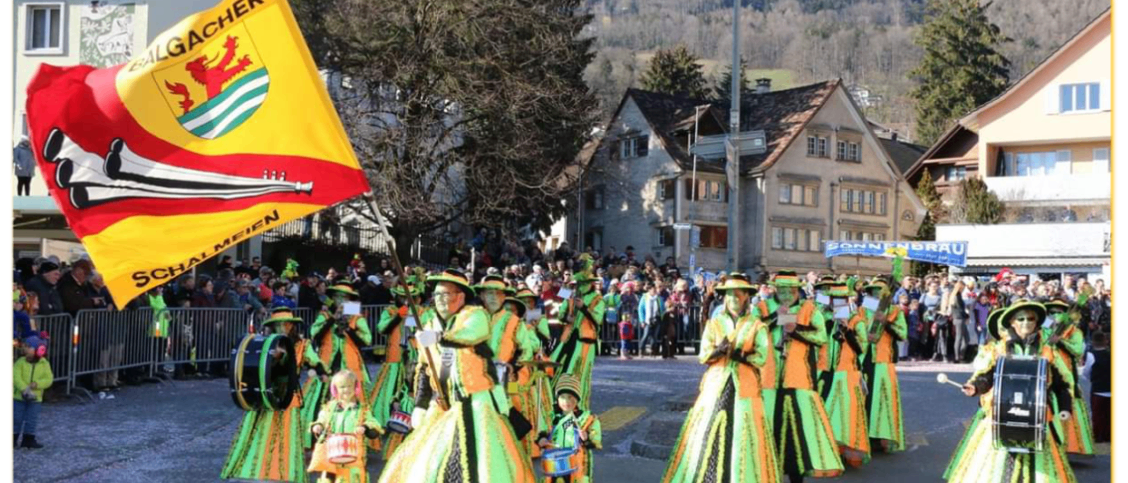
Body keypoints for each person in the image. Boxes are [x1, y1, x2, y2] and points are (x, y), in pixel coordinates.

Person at [378, 269, 536, 483]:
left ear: (460, 296)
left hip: (475, 401)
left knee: (479, 458)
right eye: (437, 295)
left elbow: (469, 336)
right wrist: (420, 404)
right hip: (443, 403)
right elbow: (426, 367)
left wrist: (436, 337)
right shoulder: (430, 322)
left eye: (446, 294)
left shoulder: (474, 315)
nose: (440, 300)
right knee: (428, 460)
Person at [661, 274, 780, 483]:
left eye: (737, 294)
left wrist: (739, 355)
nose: (733, 298)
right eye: (728, 294)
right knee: (709, 433)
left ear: (746, 297)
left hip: (745, 388)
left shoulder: (757, 326)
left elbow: (762, 356)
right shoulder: (714, 324)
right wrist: (718, 351)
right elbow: (703, 355)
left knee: (743, 434)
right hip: (716, 386)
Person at [945, 302, 1077, 483]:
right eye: (1020, 319)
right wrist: (975, 387)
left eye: (1030, 318)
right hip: (1002, 412)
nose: (1026, 323)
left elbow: (1063, 383)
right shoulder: (997, 349)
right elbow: (987, 375)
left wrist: (1065, 406)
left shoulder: (1047, 351)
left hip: (1037, 416)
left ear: (1037, 322)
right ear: (1012, 322)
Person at [222, 309, 328, 482]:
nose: (282, 327)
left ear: (292, 325)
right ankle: (256, 466)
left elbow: (314, 362)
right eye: (277, 325)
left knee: (287, 432)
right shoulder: (266, 345)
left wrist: (320, 371)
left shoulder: (303, 345)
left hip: (289, 397)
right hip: (266, 395)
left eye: (286, 324)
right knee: (261, 429)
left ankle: (285, 470)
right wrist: (275, 356)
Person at [763, 271, 844, 482]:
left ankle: (796, 474)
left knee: (796, 433)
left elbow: (821, 336)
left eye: (789, 289)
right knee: (767, 431)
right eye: (781, 289)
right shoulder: (762, 307)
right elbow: (754, 331)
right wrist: (775, 317)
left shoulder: (810, 309)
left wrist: (795, 329)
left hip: (799, 379)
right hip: (768, 381)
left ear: (796, 289)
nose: (786, 293)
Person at [366, 272, 424, 460]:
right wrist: (399, 316)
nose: (406, 300)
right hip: (394, 359)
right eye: (402, 297)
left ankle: (414, 426)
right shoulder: (390, 311)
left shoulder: (424, 312)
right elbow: (382, 329)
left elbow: (433, 333)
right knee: (386, 394)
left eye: (410, 297)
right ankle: (382, 425)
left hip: (416, 359)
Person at [822, 283, 871, 468]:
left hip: (849, 373)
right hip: (828, 374)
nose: (838, 304)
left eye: (842, 300)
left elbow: (862, 348)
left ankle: (849, 450)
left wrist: (847, 330)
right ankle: (831, 450)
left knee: (848, 415)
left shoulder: (856, 320)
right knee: (828, 412)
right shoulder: (824, 318)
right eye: (835, 300)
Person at [308, 370, 384, 483]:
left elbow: (374, 424)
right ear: (335, 389)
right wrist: (318, 425)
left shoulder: (362, 409)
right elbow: (322, 418)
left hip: (354, 459)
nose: (347, 390)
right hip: (332, 456)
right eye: (342, 387)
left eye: (350, 386)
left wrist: (365, 428)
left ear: (356, 387)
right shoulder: (330, 408)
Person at [859, 278, 908, 455]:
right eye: (873, 291)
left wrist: (886, 322)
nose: (876, 294)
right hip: (862, 359)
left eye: (880, 292)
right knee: (863, 398)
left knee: (881, 401)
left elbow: (903, 334)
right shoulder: (861, 310)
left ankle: (879, 437)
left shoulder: (894, 311)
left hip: (882, 361)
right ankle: (862, 436)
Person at [550, 256, 606, 410]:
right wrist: (565, 316)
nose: (580, 287)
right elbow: (560, 313)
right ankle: (557, 402)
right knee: (557, 369)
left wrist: (584, 308)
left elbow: (598, 320)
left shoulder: (598, 299)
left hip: (584, 342)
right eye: (578, 284)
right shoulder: (569, 294)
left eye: (583, 284)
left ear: (590, 284)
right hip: (567, 339)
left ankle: (578, 407)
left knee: (578, 374)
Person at [537, 374, 603, 483]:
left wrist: (587, 438)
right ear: (557, 399)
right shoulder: (551, 417)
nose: (566, 401)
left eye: (570, 397)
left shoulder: (586, 419)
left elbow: (595, 438)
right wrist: (541, 439)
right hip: (554, 461)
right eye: (562, 397)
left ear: (577, 399)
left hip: (575, 463)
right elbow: (541, 432)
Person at [12, 335, 53, 449]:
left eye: (28, 347)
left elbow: (48, 379)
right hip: (19, 397)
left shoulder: (44, 364)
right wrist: (24, 388)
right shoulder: (20, 362)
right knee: (16, 418)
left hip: (36, 398)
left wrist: (37, 384)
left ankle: (28, 439)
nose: (25, 348)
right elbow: (15, 377)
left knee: (32, 419)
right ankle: (13, 438)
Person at [1082, 332, 1110, 444]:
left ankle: (1098, 436)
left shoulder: (1091, 355)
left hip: (1098, 388)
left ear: (1093, 342)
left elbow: (1086, 372)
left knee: (1097, 414)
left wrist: (1092, 379)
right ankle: (1109, 435)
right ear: (1106, 341)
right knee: (1109, 414)